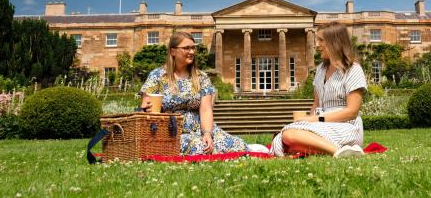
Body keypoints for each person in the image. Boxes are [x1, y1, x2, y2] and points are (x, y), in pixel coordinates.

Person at [269, 22, 367, 158]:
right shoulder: (320, 70)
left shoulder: (353, 69)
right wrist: (307, 120)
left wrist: (316, 119)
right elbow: (316, 105)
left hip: (346, 126)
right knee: (284, 138)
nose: (317, 45)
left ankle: (336, 151)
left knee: (289, 135)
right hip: (323, 125)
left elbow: (352, 112)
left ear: (335, 42)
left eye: (321, 40)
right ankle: (341, 150)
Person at [139, 32, 248, 155]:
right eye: (186, 48)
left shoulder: (201, 77)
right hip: (172, 131)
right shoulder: (157, 76)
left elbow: (206, 109)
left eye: (193, 48)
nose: (191, 52)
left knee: (239, 146)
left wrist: (207, 133)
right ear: (173, 51)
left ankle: (216, 151)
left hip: (200, 129)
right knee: (198, 147)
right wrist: (147, 109)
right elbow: (145, 107)